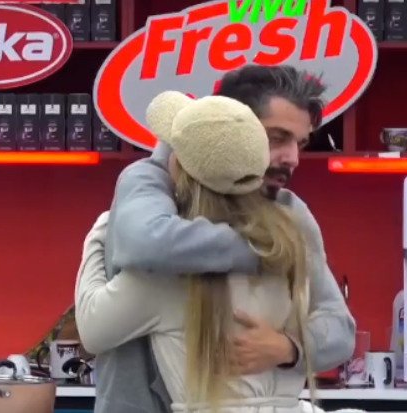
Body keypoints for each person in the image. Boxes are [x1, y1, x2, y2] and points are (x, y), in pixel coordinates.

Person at [76, 65, 355, 413]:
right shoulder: (148, 187)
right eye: (277, 138)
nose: (293, 158)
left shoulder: (288, 212)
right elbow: (145, 243)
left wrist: (288, 348)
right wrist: (269, 248)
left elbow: (340, 328)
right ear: (229, 127)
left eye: (300, 143)